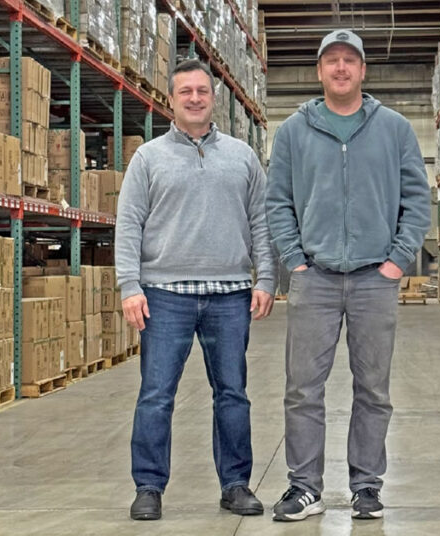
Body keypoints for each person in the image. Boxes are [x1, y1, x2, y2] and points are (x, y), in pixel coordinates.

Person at [265, 29, 431, 522]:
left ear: (363, 71)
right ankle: (304, 486)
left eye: (349, 61)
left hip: (373, 281)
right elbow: (278, 203)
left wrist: (398, 261)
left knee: (373, 388)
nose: (340, 68)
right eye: (331, 60)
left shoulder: (395, 128)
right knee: (303, 389)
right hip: (313, 277)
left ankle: (366, 486)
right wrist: (294, 258)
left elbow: (417, 201)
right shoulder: (294, 131)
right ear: (319, 72)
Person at [115, 59, 275, 521]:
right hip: (164, 294)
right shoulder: (148, 157)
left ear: (213, 97)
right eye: (185, 91)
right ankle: (148, 486)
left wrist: (265, 278)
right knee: (156, 393)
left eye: (202, 90)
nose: (194, 98)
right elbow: (129, 226)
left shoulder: (242, 156)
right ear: (171, 99)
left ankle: (236, 484)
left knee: (232, 393)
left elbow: (261, 223)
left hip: (229, 295)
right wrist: (130, 285)